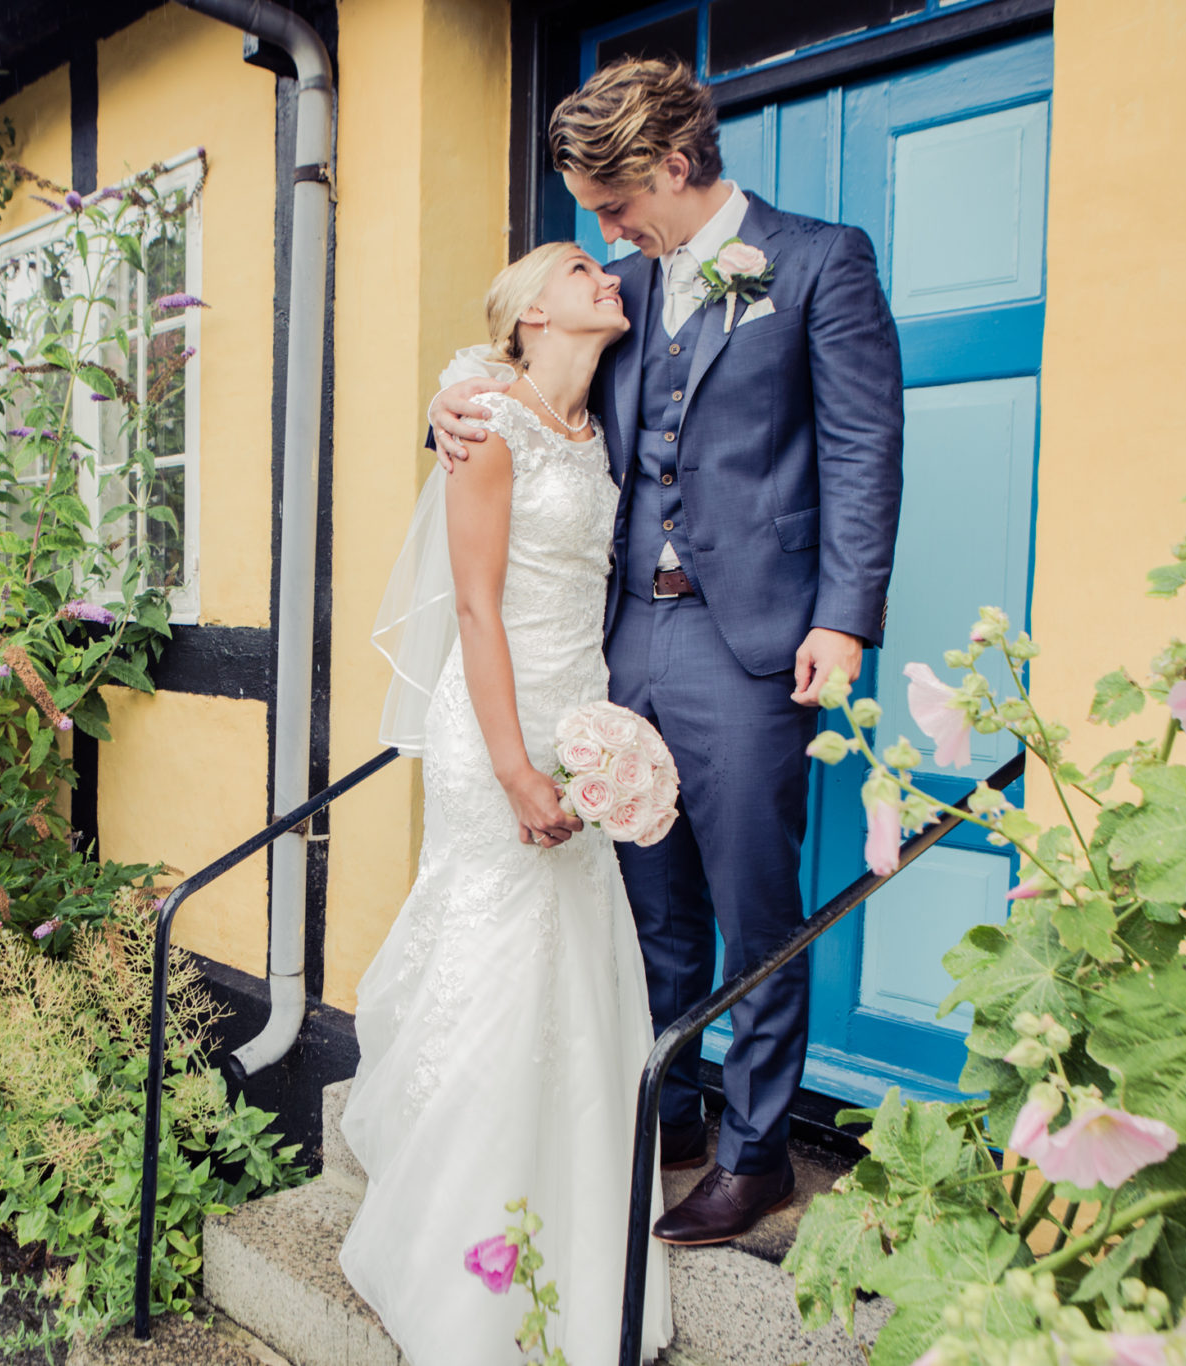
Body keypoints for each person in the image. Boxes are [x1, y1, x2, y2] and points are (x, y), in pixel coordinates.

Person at [428, 57, 904, 1246]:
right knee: (645, 900)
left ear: (678, 166)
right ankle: (676, 1110)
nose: (601, 226)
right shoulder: (620, 290)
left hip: (747, 643)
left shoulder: (818, 262)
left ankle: (755, 1155)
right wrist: (436, 411)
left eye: (611, 201)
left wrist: (842, 616)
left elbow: (860, 448)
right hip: (617, 640)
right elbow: (526, 400)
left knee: (753, 904)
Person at [341, 240, 673, 1365]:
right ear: (531, 311)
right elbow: (475, 612)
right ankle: (455, 1262)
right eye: (579, 266)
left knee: (571, 962)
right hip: (497, 723)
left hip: (573, 710)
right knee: (497, 951)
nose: (607, 277)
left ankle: (568, 1215)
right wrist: (516, 768)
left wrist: (585, 747)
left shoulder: (595, 417)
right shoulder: (487, 427)